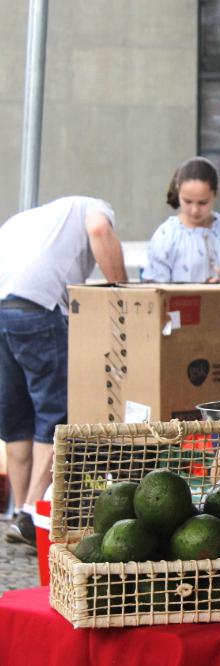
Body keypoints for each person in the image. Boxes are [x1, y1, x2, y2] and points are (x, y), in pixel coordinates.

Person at [0, 196, 127, 548]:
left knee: (17, 418)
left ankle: (16, 514)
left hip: (2, 308)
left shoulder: (32, 219)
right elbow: (99, 228)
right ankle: (31, 513)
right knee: (54, 411)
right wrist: (124, 292)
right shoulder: (96, 207)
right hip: (37, 308)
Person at [142, 156, 220, 283]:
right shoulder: (167, 234)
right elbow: (154, 289)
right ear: (178, 192)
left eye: (203, 203)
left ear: (215, 194)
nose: (195, 210)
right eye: (187, 201)